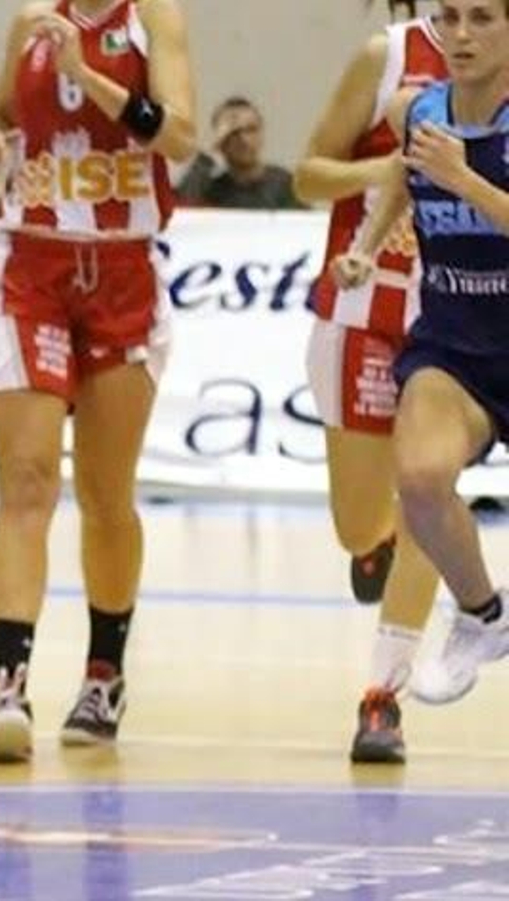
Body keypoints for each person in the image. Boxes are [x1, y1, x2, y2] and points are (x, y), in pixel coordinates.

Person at [0, 0, 196, 762]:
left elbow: (181, 134)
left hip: (123, 267)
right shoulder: (31, 19)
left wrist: (85, 75)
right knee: (26, 483)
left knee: (105, 494)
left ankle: (104, 674)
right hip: (30, 265)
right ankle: (8, 686)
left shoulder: (155, 17)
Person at [333, 0, 509, 715]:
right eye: (451, 18)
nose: (462, 36)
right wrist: (366, 249)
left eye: (483, 19)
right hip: (455, 345)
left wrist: (467, 180)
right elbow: (408, 181)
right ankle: (482, 614)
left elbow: (449, 176)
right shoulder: (417, 109)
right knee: (421, 478)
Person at [294, 0, 446, 764]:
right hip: (364, 307)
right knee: (361, 521)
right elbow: (307, 174)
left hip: (457, 319)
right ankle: (371, 543)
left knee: (428, 490)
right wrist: (383, 168)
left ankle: (383, 697)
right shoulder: (386, 56)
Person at [178, 96, 304, 209]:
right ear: (221, 140)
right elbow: (178, 213)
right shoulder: (211, 189)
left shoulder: (285, 184)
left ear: (261, 134)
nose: (244, 139)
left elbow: (308, 227)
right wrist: (208, 151)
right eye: (234, 132)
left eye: (251, 129)